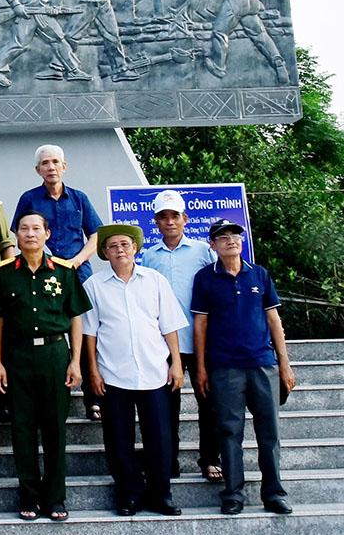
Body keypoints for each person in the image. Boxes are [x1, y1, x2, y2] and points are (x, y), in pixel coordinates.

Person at [191, 220, 295, 516]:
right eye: (222, 238)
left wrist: (284, 364)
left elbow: (274, 320)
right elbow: (200, 324)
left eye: (235, 236)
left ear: (242, 240)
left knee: (269, 433)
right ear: (212, 245)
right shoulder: (205, 278)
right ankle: (233, 493)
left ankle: (274, 493)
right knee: (228, 431)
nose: (230, 241)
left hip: (263, 364)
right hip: (224, 367)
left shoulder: (259, 274)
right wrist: (200, 368)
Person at [0, 211, 90, 522]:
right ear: (16, 235)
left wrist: (75, 360)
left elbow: (76, 316)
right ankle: (29, 497)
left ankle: (55, 498)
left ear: (47, 234)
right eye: (24, 229)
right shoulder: (2, 272)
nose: (30, 234)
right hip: (16, 356)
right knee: (22, 430)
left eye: (36, 229)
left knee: (54, 430)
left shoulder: (63, 271)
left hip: (54, 355)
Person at [82, 224, 186, 517]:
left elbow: (169, 325)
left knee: (160, 438)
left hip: (154, 372)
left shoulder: (155, 281)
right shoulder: (94, 286)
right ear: (105, 252)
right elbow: (89, 334)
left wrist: (176, 363)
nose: (120, 250)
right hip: (113, 374)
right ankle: (129, 493)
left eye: (125, 245)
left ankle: (161, 494)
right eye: (113, 246)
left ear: (135, 248)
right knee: (118, 440)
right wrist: (93, 372)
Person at [13, 144, 104, 420]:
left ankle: (93, 399)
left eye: (55, 162)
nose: (51, 167)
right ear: (37, 169)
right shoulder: (29, 199)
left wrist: (77, 260)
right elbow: (20, 232)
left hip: (77, 272)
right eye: (45, 163)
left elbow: (97, 234)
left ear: (64, 166)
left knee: (87, 334)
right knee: (48, 329)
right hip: (43, 274)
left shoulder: (79, 198)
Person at [140, 189, 219, 481]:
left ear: (185, 219)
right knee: (165, 409)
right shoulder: (149, 256)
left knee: (208, 403)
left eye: (175, 216)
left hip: (201, 341)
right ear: (156, 222)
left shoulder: (202, 251)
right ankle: (166, 461)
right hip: (162, 344)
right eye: (163, 217)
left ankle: (210, 458)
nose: (170, 222)